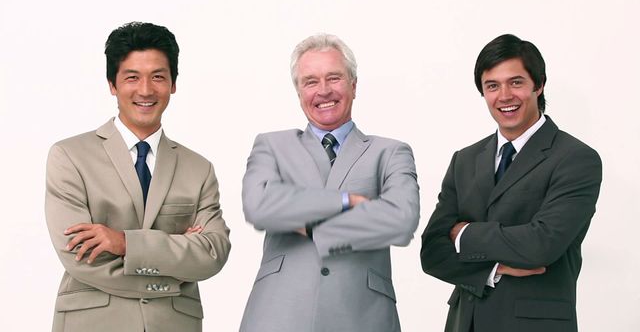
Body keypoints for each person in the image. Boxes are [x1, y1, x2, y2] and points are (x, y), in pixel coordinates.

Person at [45, 22, 231, 332]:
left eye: (158, 77)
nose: (145, 90)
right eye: (132, 77)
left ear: (173, 83)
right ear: (112, 84)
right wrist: (174, 259)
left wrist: (123, 243)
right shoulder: (69, 157)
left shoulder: (199, 169)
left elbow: (212, 253)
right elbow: (78, 255)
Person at [420, 34, 602, 332]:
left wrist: (464, 234)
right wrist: (494, 268)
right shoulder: (464, 160)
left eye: (515, 82)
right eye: (492, 86)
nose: (504, 96)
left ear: (538, 84)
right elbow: (432, 252)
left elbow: (541, 245)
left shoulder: (576, 159)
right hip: (466, 323)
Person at [239, 33, 420, 332]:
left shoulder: (390, 152)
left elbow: (400, 220)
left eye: (333, 78)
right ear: (298, 92)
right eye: (310, 81)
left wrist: (303, 220)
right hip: (278, 314)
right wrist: (347, 202)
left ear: (354, 85)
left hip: (362, 315)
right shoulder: (272, 146)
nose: (323, 91)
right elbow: (260, 206)